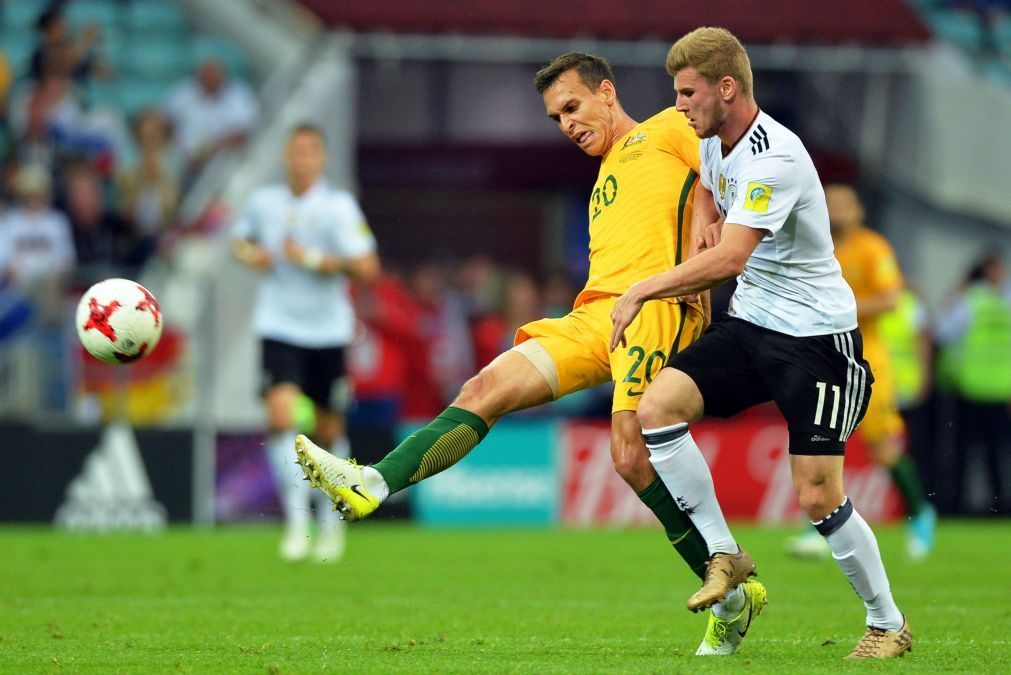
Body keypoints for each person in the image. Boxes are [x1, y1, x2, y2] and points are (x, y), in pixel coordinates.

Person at [295, 52, 767, 656]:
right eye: (555, 118)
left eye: (572, 107)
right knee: (481, 391)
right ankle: (371, 483)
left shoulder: (668, 127)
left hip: (657, 309)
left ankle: (730, 589)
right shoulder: (603, 181)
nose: (567, 124)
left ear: (606, 93)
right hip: (593, 316)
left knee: (628, 455)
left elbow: (728, 155)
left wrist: (708, 208)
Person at [608, 28, 912, 660]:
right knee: (657, 409)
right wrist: (705, 219)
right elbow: (709, 199)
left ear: (728, 88)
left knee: (818, 496)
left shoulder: (775, 156)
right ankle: (725, 554)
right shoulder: (713, 138)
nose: (680, 106)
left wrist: (644, 290)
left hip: (818, 342)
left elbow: (732, 258)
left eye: (688, 93)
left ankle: (887, 622)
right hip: (751, 324)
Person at [231, 124, 380, 562]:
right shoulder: (265, 203)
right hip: (278, 327)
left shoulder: (337, 206)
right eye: (295, 150)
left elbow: (368, 267)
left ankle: (332, 525)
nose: (302, 158)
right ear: (286, 156)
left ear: (322, 159)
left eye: (311, 151)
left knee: (329, 431)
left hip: (328, 331)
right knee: (280, 417)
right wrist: (250, 255)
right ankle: (298, 524)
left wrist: (314, 260)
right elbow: (239, 240)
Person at [788, 185, 935, 560]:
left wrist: (841, 308)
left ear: (859, 211)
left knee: (882, 447)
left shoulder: (873, 249)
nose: (835, 210)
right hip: (824, 357)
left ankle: (920, 513)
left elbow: (890, 299)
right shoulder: (813, 246)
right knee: (819, 443)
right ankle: (817, 528)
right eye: (829, 203)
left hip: (867, 361)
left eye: (843, 204)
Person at [935, 253, 1011, 515]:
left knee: (966, 453)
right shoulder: (1002, 301)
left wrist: (954, 295)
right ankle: (998, 506)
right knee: (995, 453)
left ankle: (960, 505)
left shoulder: (971, 300)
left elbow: (942, 331)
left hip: (976, 388)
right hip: (991, 389)